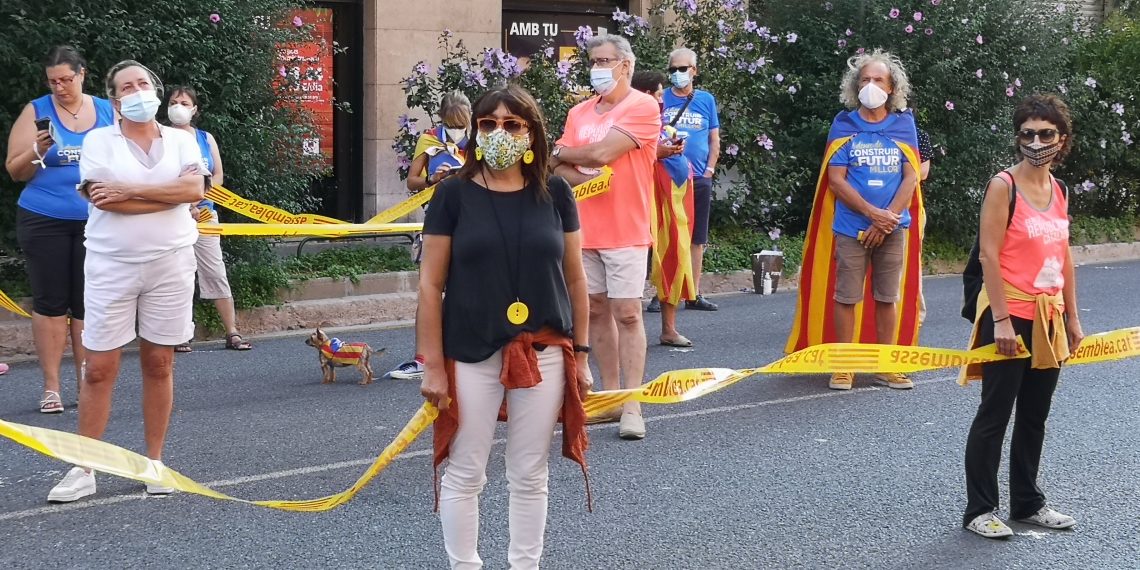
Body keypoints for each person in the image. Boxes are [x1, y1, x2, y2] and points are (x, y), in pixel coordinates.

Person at [417, 84, 591, 570]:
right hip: (470, 350)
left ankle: (525, 565)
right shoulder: (451, 193)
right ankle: (464, 565)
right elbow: (430, 286)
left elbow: (576, 278)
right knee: (466, 471)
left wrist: (581, 354)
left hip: (544, 350)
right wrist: (430, 366)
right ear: (475, 131)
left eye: (512, 124)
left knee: (529, 473)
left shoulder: (555, 192)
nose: (499, 132)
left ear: (532, 132)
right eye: (488, 123)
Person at [47, 61, 208, 503]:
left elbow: (195, 191)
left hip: (171, 263)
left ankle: (152, 463)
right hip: (111, 265)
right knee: (99, 369)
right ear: (115, 100)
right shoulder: (99, 139)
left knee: (160, 363)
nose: (138, 91)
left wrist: (131, 191)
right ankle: (85, 466)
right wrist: (164, 196)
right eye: (127, 87)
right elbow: (106, 202)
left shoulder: (181, 139)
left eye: (143, 83)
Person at [959, 94, 1083, 539]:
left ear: (1061, 139)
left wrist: (1072, 317)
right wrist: (1003, 321)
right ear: (1018, 138)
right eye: (1027, 133)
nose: (1036, 141)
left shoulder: (1060, 189)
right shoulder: (1003, 186)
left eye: (1045, 134)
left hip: (1049, 316)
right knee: (995, 413)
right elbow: (990, 256)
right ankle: (980, 509)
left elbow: (1063, 255)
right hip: (1010, 311)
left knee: (1035, 414)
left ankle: (1028, 503)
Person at [784, 49, 925, 391]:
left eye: (878, 80)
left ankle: (886, 364)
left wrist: (885, 219)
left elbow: (911, 176)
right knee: (847, 296)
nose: (871, 85)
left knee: (887, 297)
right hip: (851, 226)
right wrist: (871, 214)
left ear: (892, 88)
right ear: (854, 85)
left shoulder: (904, 124)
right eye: (865, 79)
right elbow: (836, 179)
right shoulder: (843, 123)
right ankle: (843, 365)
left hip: (892, 226)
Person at [550, 34, 659, 439]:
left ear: (625, 65)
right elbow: (555, 167)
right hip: (583, 227)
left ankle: (632, 403)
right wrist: (571, 163)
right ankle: (611, 396)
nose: (598, 68)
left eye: (606, 60)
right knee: (593, 310)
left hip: (627, 229)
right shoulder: (579, 112)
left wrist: (567, 155)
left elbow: (598, 154)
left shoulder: (643, 106)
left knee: (628, 312)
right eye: (593, 60)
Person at [4, 45, 115, 414]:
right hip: (43, 216)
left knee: (87, 303)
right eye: (53, 81)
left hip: (96, 218)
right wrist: (37, 149)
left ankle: (87, 382)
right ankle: (51, 387)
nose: (60, 87)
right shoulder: (36, 110)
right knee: (51, 303)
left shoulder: (104, 110)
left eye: (67, 79)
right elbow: (15, 171)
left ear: (82, 74)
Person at [389, 91, 472, 381]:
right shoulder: (429, 139)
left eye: (462, 123)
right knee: (429, 289)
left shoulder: (478, 139)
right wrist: (434, 179)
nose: (457, 129)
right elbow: (413, 181)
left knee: (473, 287)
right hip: (438, 220)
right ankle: (422, 358)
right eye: (452, 123)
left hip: (474, 220)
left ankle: (472, 354)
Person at [165, 86, 252, 352]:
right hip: (170, 214)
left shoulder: (205, 138)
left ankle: (232, 332)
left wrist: (195, 199)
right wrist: (182, 201)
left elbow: (218, 177)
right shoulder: (160, 136)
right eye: (173, 101)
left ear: (194, 109)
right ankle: (179, 335)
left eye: (184, 102)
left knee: (215, 270)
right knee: (176, 275)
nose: (178, 106)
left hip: (204, 214)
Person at [632, 70, 696, 347]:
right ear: (646, 95)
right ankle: (622, 332)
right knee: (632, 264)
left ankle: (669, 329)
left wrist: (670, 147)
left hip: (671, 199)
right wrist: (655, 152)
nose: (662, 99)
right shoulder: (629, 121)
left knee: (673, 255)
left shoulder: (659, 122)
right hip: (640, 201)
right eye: (659, 94)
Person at [662, 47, 720, 311]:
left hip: (699, 177)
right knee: (669, 234)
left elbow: (714, 138)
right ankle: (663, 293)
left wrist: (709, 170)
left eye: (682, 69)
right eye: (673, 69)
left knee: (697, 237)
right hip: (669, 176)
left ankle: (694, 293)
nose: (677, 74)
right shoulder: (661, 98)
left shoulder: (706, 100)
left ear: (694, 71)